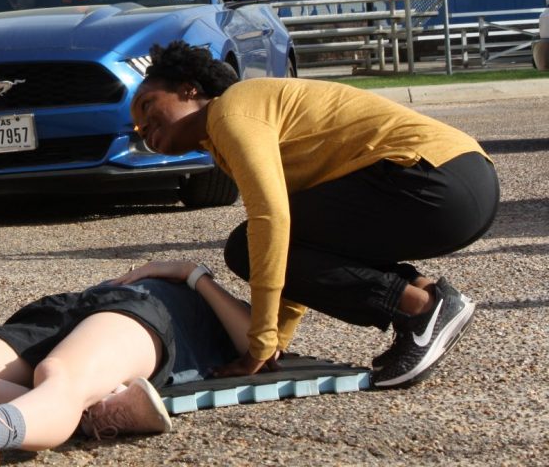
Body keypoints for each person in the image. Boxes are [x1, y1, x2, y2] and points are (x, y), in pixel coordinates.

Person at [129, 41, 498, 389]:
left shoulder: (231, 111)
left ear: (189, 89)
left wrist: (260, 340)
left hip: (435, 179)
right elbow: (302, 244)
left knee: (244, 246)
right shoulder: (234, 125)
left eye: (146, 105)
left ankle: (421, 309)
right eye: (136, 127)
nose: (143, 128)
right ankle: (422, 293)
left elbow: (272, 221)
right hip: (459, 184)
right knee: (265, 242)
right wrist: (277, 340)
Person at [0, 259, 251, 467]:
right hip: (63, 310)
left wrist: (193, 274)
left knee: (58, 374)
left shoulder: (212, 302)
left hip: (143, 317)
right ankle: (79, 414)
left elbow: (259, 341)